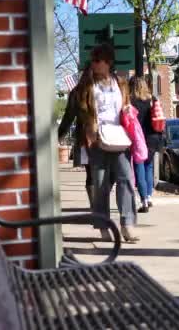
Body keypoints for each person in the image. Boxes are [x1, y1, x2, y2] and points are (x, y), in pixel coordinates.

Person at [75, 43, 139, 242]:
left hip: (119, 137)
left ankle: (127, 224)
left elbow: (126, 103)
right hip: (98, 139)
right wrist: (89, 126)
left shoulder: (120, 82)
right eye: (92, 60)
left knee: (126, 179)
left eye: (97, 60)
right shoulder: (87, 84)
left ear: (108, 62)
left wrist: (128, 109)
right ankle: (104, 226)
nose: (93, 64)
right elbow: (82, 106)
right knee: (101, 185)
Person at [58, 67, 94, 208]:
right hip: (104, 138)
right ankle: (100, 202)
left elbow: (68, 118)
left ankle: (95, 205)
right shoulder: (102, 90)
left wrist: (58, 135)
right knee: (104, 171)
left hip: (84, 139)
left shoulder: (76, 92)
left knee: (90, 173)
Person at [129, 76, 162, 213]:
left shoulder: (131, 101)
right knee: (149, 167)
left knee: (139, 168)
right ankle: (148, 197)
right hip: (154, 137)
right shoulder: (152, 99)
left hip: (138, 138)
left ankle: (143, 201)